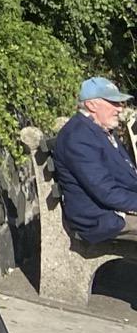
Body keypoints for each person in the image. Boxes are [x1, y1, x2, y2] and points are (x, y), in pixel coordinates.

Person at [54, 76, 137, 243]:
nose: (120, 108)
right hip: (101, 219)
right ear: (91, 105)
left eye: (120, 103)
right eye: (114, 103)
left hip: (115, 210)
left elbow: (125, 177)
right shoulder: (78, 137)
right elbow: (106, 191)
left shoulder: (99, 130)